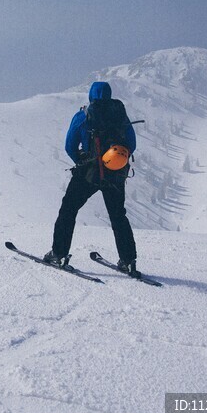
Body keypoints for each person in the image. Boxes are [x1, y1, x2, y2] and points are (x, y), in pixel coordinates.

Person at [43, 81, 140, 275]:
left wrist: (82, 161)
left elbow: (70, 146)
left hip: (88, 174)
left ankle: (59, 253)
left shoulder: (83, 116)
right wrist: (114, 162)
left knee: (68, 210)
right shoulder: (121, 116)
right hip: (115, 175)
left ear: (90, 95)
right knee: (118, 216)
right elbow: (132, 144)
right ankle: (128, 261)